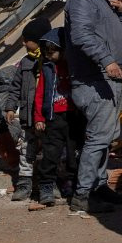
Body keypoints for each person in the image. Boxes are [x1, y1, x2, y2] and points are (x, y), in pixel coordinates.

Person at [64, 0, 122, 214]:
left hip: (107, 80)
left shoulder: (100, 0)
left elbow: (113, 31)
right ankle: (82, 195)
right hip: (94, 81)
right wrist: (107, 60)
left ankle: (99, 187)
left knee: (105, 139)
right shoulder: (83, 0)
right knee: (97, 139)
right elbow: (81, 35)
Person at [28, 29, 73, 206]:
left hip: (72, 117)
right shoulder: (47, 69)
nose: (49, 56)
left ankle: (70, 183)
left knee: (72, 154)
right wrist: (39, 118)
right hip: (53, 119)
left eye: (52, 52)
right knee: (51, 154)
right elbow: (40, 95)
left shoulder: (73, 67)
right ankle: (46, 186)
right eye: (46, 52)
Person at [9, 17, 50, 202]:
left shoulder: (51, 61)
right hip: (28, 116)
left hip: (47, 117)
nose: (24, 43)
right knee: (27, 150)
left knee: (50, 150)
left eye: (27, 39)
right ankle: (24, 184)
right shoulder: (25, 63)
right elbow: (15, 86)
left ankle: (48, 184)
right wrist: (11, 107)